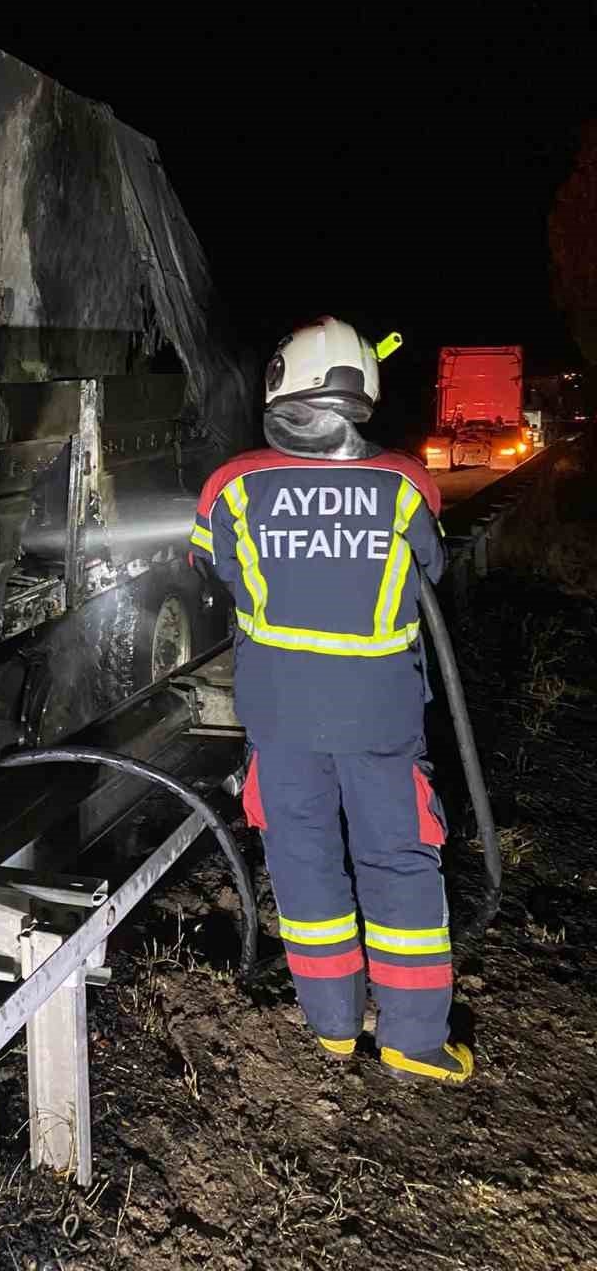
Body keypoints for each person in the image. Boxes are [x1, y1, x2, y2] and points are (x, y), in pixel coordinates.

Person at [188, 317, 472, 1085]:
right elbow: (432, 571)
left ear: (281, 387)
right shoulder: (408, 485)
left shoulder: (232, 486)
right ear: (362, 395)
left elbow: (212, 565)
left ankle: (334, 1030)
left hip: (279, 719)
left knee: (304, 864)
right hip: (379, 716)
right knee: (400, 864)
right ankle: (414, 1042)